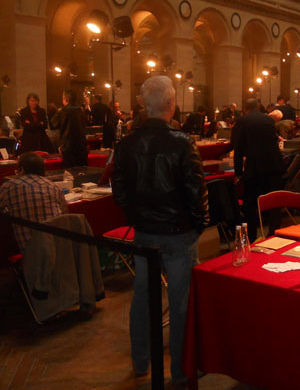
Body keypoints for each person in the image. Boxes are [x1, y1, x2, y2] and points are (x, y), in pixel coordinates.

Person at [112, 75, 209, 385]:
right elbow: (196, 190)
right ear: (171, 104)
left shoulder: (126, 144)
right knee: (181, 302)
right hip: (178, 232)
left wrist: (136, 217)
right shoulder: (182, 142)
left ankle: (140, 360)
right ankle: (181, 370)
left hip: (145, 232)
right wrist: (198, 225)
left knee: (142, 296)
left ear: (144, 104)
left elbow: (119, 190)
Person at [0, 152, 67, 252]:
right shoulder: (54, 186)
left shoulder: (10, 186)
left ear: (22, 169)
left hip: (31, 252)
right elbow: (64, 213)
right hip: (60, 247)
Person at [231, 98, 284, 241]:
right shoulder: (268, 120)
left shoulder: (242, 121)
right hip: (274, 164)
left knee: (250, 204)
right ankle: (274, 233)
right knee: (274, 202)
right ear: (259, 107)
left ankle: (252, 236)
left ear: (245, 109)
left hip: (255, 167)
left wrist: (238, 172)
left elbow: (238, 148)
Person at [50, 89, 88, 167]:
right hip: (81, 144)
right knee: (82, 169)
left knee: (70, 171)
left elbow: (53, 125)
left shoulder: (62, 111)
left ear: (65, 99)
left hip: (67, 145)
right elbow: (86, 123)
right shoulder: (81, 110)